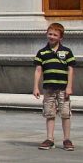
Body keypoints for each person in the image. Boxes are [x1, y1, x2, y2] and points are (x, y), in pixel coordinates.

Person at [33, 22, 76, 151]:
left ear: (60, 37)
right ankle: (50, 139)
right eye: (50, 34)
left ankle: (67, 139)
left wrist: (69, 87)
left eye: (55, 35)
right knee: (49, 113)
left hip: (63, 88)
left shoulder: (66, 52)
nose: (51, 36)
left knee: (65, 113)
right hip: (49, 88)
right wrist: (36, 87)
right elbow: (38, 70)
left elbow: (70, 70)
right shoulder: (42, 53)